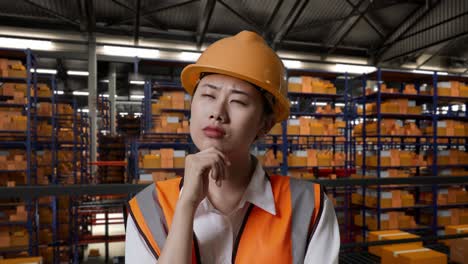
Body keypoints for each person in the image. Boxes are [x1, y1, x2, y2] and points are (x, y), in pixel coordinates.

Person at [125, 30, 340, 264]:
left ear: (265, 124)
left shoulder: (309, 206)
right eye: (208, 95)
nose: (217, 112)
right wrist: (186, 205)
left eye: (237, 101)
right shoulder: (149, 207)